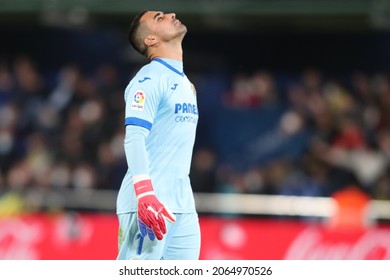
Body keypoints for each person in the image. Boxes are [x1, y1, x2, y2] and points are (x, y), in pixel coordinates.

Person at [116, 10, 201, 260]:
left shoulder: (186, 83)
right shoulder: (148, 79)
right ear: (151, 39)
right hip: (148, 203)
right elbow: (134, 137)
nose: (171, 14)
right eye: (159, 17)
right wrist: (145, 195)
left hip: (183, 205)